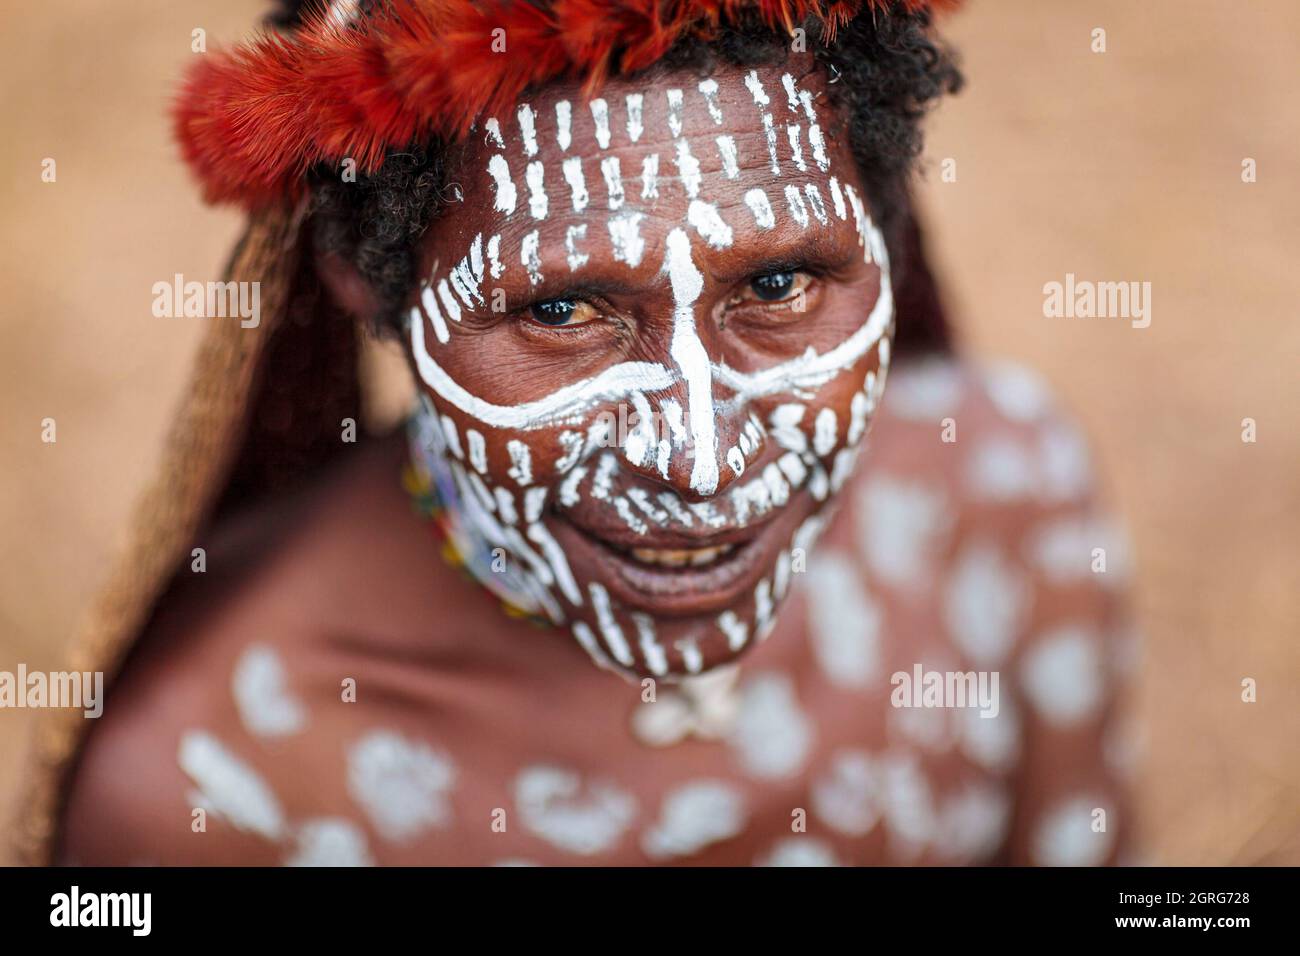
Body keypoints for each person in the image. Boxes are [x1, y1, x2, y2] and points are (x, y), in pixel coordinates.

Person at [23, 0, 1137, 866]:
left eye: (782, 280)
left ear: (882, 236)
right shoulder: (215, 782)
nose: (700, 463)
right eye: (561, 311)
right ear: (369, 278)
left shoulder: (996, 500)